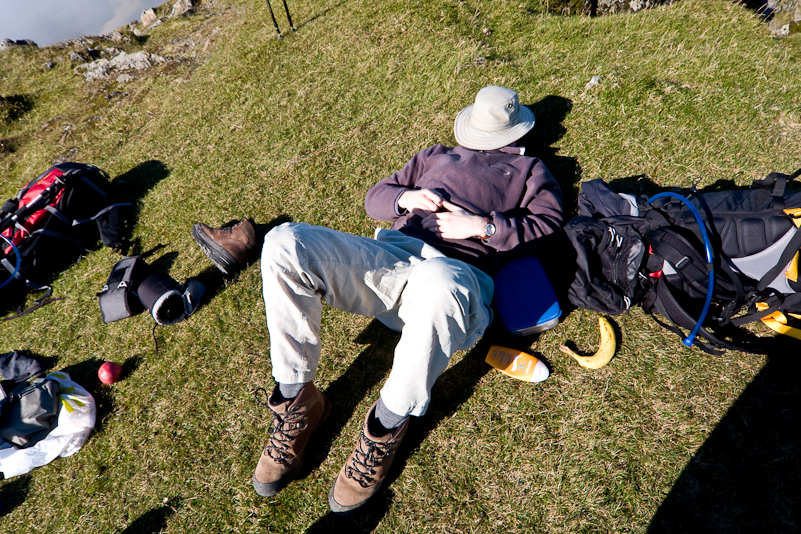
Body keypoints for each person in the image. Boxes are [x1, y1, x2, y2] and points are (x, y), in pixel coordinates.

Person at [192, 86, 564, 514]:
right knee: (282, 240)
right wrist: (406, 198)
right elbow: (376, 198)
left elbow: (549, 225)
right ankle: (298, 399)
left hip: (452, 288)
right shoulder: (435, 155)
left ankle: (385, 426)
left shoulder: (531, 170)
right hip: (388, 264)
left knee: (442, 278)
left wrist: (481, 227)